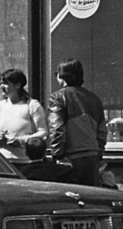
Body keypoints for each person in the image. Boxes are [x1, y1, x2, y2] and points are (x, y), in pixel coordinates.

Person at [45, 57, 107, 187]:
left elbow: (57, 128)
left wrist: (57, 155)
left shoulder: (57, 97)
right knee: (92, 199)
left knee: (70, 199)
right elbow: (102, 132)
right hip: (92, 157)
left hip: (70, 158)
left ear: (62, 76)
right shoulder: (94, 99)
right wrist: (98, 153)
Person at [0, 68, 48, 168]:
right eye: (1, 83)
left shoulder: (32, 105)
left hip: (25, 162)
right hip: (2, 162)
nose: (2, 87)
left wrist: (20, 141)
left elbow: (43, 133)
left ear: (17, 85)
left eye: (6, 83)